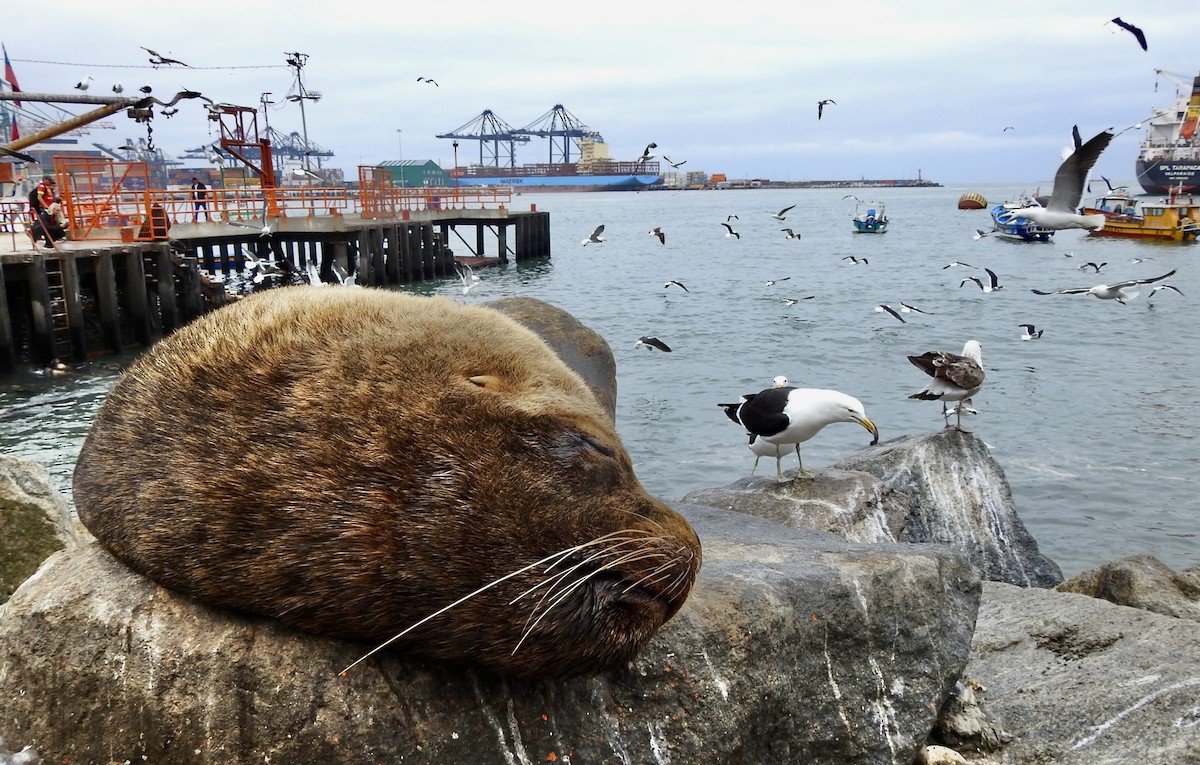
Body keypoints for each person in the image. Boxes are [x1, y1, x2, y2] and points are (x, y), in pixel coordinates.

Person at [27, 177, 61, 247]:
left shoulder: (47, 188)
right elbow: (39, 197)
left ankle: (48, 241)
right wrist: (46, 206)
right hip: (45, 208)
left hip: (48, 208)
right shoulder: (42, 187)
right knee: (44, 224)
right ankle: (34, 234)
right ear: (45, 180)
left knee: (47, 225)